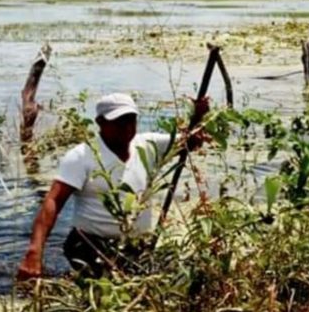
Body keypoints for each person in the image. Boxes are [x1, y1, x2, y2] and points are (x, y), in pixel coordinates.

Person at [15, 93, 210, 281]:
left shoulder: (149, 145)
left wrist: (198, 116)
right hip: (90, 245)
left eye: (130, 120)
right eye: (118, 122)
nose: (126, 128)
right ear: (100, 123)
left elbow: (189, 141)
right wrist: (35, 251)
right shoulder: (81, 156)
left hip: (137, 245)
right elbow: (53, 201)